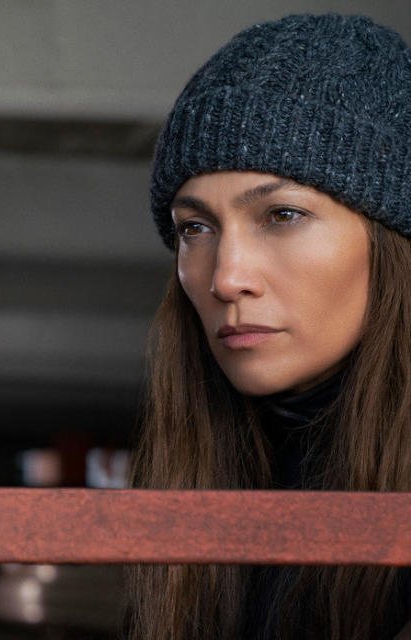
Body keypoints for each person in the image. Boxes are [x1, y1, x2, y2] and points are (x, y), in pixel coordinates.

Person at [126, 13, 411, 640]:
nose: (226, 278)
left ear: (393, 245)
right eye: (194, 228)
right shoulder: (197, 486)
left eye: (282, 214)